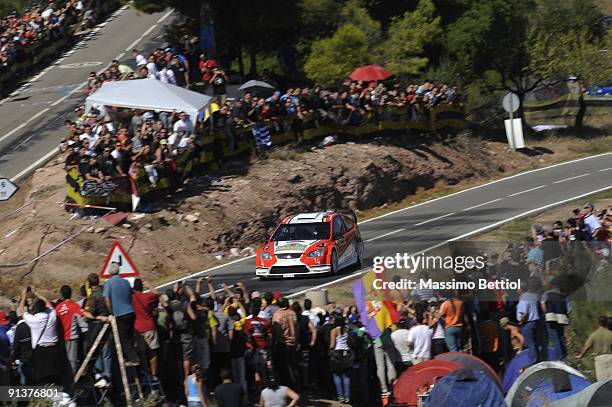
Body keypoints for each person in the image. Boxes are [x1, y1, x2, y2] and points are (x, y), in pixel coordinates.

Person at [18, 287, 62, 385]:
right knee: (55, 379)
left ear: (35, 309)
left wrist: (24, 296)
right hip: (54, 349)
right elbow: (48, 304)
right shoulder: (52, 315)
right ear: (44, 308)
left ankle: (46, 399)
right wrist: (37, 293)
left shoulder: (34, 320)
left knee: (43, 379)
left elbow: (21, 311)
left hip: (41, 352)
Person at [103, 263, 139, 365]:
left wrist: (111, 312)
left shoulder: (109, 283)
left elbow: (106, 299)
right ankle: (132, 356)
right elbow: (131, 294)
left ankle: (133, 359)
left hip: (120, 314)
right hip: (130, 312)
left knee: (123, 338)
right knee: (129, 336)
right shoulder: (126, 281)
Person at [132, 278, 161, 378]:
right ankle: (154, 374)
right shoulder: (147, 296)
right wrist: (149, 286)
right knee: (153, 353)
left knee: (142, 353)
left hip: (138, 329)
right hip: (149, 327)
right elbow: (157, 294)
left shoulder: (132, 298)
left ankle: (146, 372)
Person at [54, 285, 84, 373]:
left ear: (62, 295)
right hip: (72, 336)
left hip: (61, 337)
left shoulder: (58, 308)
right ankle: (71, 380)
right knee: (72, 360)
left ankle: (65, 380)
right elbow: (81, 318)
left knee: (63, 359)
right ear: (70, 294)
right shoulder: (75, 306)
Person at [577, 316, 612, 380]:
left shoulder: (594, 335)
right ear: (607, 323)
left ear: (598, 323)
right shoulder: (610, 333)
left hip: (599, 359)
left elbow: (586, 347)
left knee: (602, 381)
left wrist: (581, 355)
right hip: (610, 357)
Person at [517, 278, 541, 367]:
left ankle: (533, 361)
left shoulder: (524, 298)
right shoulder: (533, 296)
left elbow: (523, 313)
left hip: (528, 323)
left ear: (521, 289)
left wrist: (520, 322)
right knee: (534, 342)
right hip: (535, 321)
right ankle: (536, 358)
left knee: (529, 343)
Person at [329, 314, 352, 403]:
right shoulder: (347, 329)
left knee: (336, 375)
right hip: (347, 354)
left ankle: (340, 396)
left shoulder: (334, 330)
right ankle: (347, 397)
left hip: (337, 353)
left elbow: (332, 344)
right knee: (346, 376)